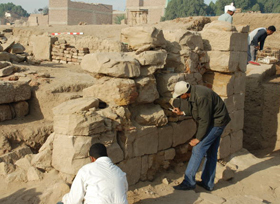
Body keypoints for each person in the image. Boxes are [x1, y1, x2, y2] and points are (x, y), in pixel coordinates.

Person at [172, 81, 231, 191]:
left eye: (180, 96)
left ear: (185, 93)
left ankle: (188, 182)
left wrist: (198, 139)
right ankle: (207, 183)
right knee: (211, 153)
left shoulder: (201, 96)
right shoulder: (193, 93)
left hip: (216, 123)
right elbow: (196, 110)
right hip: (215, 121)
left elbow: (204, 120)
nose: (180, 98)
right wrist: (182, 113)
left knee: (198, 149)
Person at [59, 143, 128, 204]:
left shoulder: (86, 170)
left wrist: (64, 200)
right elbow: (124, 192)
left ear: (92, 158)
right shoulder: (119, 172)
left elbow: (74, 200)